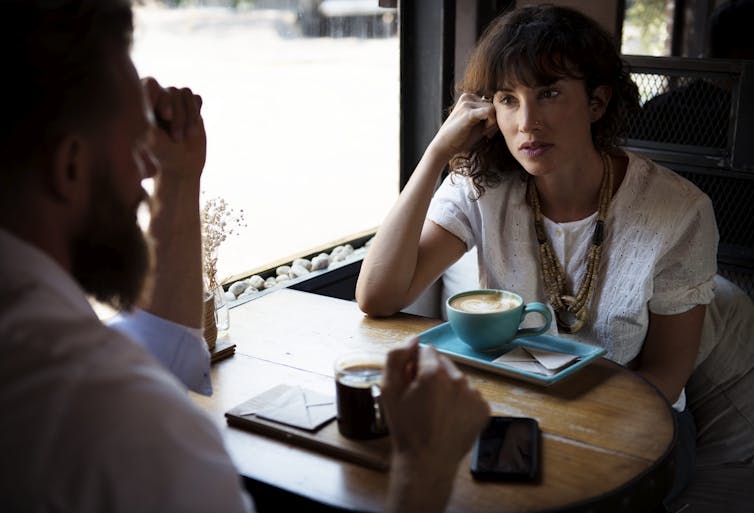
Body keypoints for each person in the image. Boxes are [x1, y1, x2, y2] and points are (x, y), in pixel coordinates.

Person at [0, 1, 490, 512]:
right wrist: (424, 468)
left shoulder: (37, 345)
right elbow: (125, 393)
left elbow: (157, 350)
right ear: (70, 166)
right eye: (132, 145)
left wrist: (180, 175)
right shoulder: (125, 429)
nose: (146, 170)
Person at [356, 4, 718, 506]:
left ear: (596, 101)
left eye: (549, 93)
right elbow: (377, 295)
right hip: (514, 413)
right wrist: (436, 153)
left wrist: (560, 428)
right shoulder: (482, 187)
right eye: (508, 99)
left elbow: (665, 375)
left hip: (639, 423)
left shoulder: (679, 211)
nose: (527, 122)